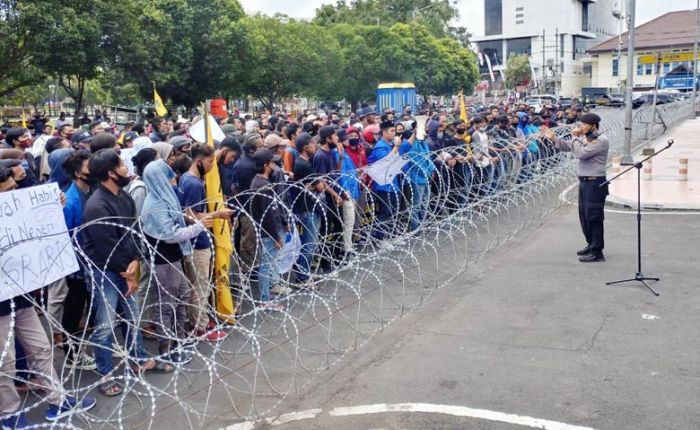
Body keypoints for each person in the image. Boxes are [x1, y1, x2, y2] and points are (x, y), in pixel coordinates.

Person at [0, 164, 97, 428]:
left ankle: (59, 399)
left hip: (20, 296)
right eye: (8, 191)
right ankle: (9, 413)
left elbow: (36, 232)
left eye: (14, 188)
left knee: (41, 349)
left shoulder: (14, 212)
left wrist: (51, 207)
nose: (14, 193)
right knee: (5, 361)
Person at [81, 149, 173, 398]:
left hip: (126, 266)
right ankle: (106, 373)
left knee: (132, 317)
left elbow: (134, 231)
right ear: (110, 173)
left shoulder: (123, 196)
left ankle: (139, 359)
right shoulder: (96, 205)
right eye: (121, 165)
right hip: (106, 272)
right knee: (105, 325)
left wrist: (135, 261)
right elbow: (106, 247)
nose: (126, 168)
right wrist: (130, 272)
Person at [141, 159, 212, 363]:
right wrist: (199, 226)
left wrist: (190, 221)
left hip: (174, 259)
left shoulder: (164, 197)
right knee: (167, 306)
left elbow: (176, 219)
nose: (174, 178)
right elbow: (170, 234)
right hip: (165, 263)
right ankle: (167, 350)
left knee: (180, 299)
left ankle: (178, 341)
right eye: (169, 174)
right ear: (160, 178)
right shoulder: (155, 204)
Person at [178, 143, 234, 341]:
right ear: (199, 161)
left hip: (196, 241)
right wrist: (218, 214)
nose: (212, 166)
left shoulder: (187, 179)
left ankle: (199, 319)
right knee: (200, 286)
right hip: (197, 243)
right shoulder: (193, 184)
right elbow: (190, 215)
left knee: (200, 284)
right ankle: (199, 327)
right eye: (210, 162)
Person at [544, 113, 609, 262]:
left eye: (584, 125)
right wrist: (553, 138)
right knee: (585, 216)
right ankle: (591, 244)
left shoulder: (601, 140)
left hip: (595, 182)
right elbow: (569, 146)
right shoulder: (585, 137)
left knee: (594, 217)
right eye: (581, 124)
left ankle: (597, 252)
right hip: (585, 182)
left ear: (594, 125)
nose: (581, 127)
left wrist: (574, 137)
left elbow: (581, 153)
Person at [60, 150, 97, 370]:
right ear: (77, 173)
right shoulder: (71, 201)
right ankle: (73, 355)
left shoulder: (89, 192)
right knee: (74, 310)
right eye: (88, 167)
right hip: (77, 267)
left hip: (90, 261)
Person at [248, 149, 287, 308]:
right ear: (265, 165)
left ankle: (266, 296)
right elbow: (268, 216)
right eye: (271, 162)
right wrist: (276, 237)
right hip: (268, 232)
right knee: (266, 265)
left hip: (267, 230)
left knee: (267, 264)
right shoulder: (263, 186)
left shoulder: (259, 182)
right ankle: (264, 299)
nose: (274, 165)